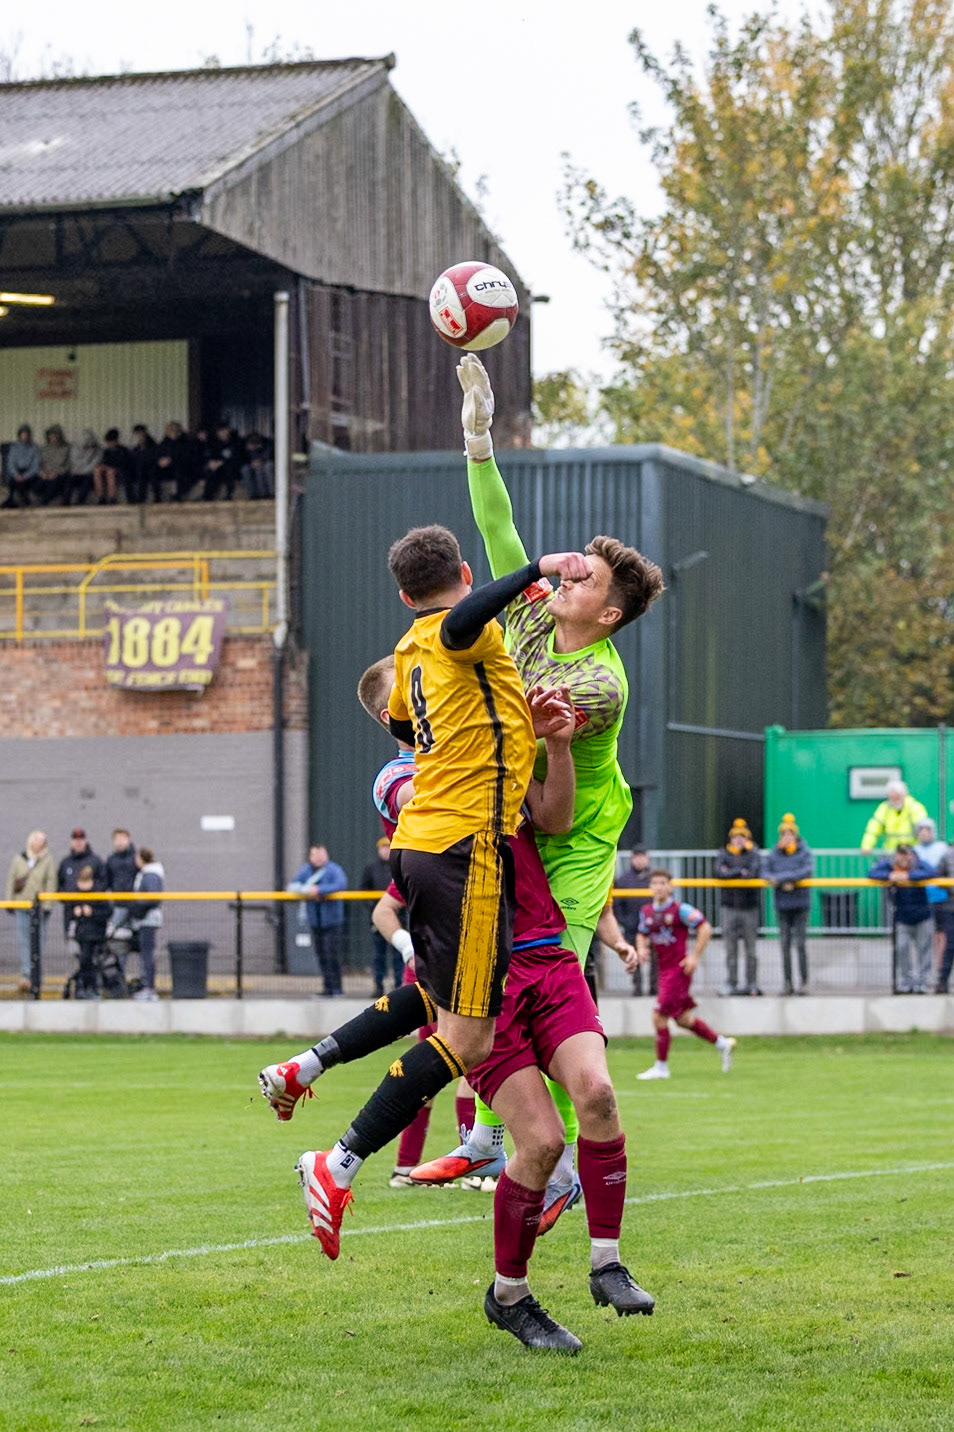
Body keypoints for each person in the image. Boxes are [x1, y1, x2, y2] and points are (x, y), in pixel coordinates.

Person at [263, 670, 654, 1342]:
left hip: (546, 954)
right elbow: (455, 803)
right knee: (539, 1140)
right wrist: (505, 737)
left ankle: (606, 1261)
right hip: (484, 974)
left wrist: (553, 748)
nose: (439, 689)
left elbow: (553, 817)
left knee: (598, 1096)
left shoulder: (488, 752)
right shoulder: (399, 779)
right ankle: (510, 1294)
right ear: (398, 717)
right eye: (420, 690)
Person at [288, 527, 590, 1261]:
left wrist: (515, 724)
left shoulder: (408, 653)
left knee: (449, 1021)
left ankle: (332, 1110)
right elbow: (461, 623)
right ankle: (341, 1161)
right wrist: (537, 569)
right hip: (466, 849)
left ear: (401, 595)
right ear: (463, 571)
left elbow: (406, 717)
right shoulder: (456, 632)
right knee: (466, 1037)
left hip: (435, 849)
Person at [438, 353, 665, 1196]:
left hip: (577, 840)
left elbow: (523, 743)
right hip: (530, 821)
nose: (565, 577)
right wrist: (479, 438)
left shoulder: (598, 683)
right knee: (493, 980)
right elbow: (503, 538)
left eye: (586, 579)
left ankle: (547, 1162)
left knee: (543, 995)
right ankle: (500, 1137)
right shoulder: (539, 616)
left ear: (608, 614)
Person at [635, 868, 735, 1080]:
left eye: (663, 883)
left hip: (679, 969)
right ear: (650, 887)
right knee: (682, 1019)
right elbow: (641, 933)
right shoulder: (646, 912)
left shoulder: (680, 910)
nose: (659, 887)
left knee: (658, 1016)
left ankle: (661, 1067)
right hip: (663, 970)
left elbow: (705, 927)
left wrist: (694, 956)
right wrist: (642, 948)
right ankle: (721, 1043)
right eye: (655, 883)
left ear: (670, 886)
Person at [868, 844, 936, 994]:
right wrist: (890, 876)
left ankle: (921, 983)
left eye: (907, 854)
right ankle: (906, 981)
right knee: (902, 949)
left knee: (924, 951)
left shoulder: (918, 865)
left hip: (922, 916)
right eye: (901, 854)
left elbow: (932, 872)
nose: (904, 858)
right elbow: (872, 873)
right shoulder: (890, 866)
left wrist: (908, 876)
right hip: (902, 918)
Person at [762, 813, 814, 994]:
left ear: (795, 836)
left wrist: (782, 879)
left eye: (790, 834)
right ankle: (787, 983)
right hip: (783, 905)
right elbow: (765, 873)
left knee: (800, 944)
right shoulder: (774, 854)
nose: (787, 837)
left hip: (800, 904)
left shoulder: (804, 851)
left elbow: (807, 870)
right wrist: (783, 880)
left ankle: (804, 982)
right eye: (784, 834)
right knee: (784, 945)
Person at [288, 845, 348, 997]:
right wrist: (308, 891)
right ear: (310, 856)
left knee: (332, 954)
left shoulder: (334, 869)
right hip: (315, 921)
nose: (319, 857)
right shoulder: (306, 870)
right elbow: (293, 886)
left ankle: (337, 988)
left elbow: (340, 884)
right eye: (315, 854)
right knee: (321, 954)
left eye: (321, 854)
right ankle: (327, 988)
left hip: (332, 921)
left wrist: (320, 890)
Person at [714, 818, 763, 995]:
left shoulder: (753, 854)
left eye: (742, 837)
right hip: (729, 907)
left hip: (748, 907)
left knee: (751, 949)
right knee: (730, 949)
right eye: (736, 837)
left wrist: (732, 873)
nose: (739, 840)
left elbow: (753, 873)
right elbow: (719, 872)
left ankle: (752, 984)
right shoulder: (724, 854)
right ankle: (731, 983)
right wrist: (739, 872)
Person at [5, 830, 56, 993]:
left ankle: (36, 976)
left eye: (42, 840)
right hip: (22, 905)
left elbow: (51, 882)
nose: (39, 843)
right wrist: (10, 903)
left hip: (39, 907)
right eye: (37, 840)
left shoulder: (47, 860)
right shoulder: (19, 859)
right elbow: (11, 881)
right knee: (24, 941)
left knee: (38, 942)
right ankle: (26, 975)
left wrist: (48, 905)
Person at [362, 836, 402, 996]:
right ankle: (378, 986)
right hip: (379, 919)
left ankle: (400, 985)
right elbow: (363, 889)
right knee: (379, 955)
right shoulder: (371, 868)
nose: (385, 850)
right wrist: (373, 908)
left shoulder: (398, 866)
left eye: (388, 847)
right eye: (383, 848)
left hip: (399, 918)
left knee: (399, 954)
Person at [614, 845, 655, 995]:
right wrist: (625, 921)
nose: (640, 860)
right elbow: (616, 905)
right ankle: (637, 988)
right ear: (632, 859)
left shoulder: (653, 878)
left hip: (653, 926)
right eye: (637, 857)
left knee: (655, 957)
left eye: (643, 857)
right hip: (632, 926)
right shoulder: (624, 880)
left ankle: (654, 988)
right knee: (634, 956)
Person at [68, 865, 112, 999]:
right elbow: (69, 912)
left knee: (93, 961)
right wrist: (75, 913)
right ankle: (85, 988)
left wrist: (92, 912)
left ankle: (94, 989)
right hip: (82, 934)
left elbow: (107, 912)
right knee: (84, 960)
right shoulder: (75, 893)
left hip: (97, 934)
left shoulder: (98, 893)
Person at [913, 819, 949, 979]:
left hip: (940, 898)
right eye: (921, 830)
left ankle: (939, 969)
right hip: (921, 899)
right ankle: (923, 971)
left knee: (940, 934)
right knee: (923, 936)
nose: (924, 833)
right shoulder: (915, 850)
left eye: (927, 830)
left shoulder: (941, 848)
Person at [130, 846, 164, 1000]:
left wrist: (137, 908)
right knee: (146, 953)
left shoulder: (150, 875)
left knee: (147, 954)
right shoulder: (147, 873)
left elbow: (152, 898)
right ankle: (147, 986)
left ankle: (149, 988)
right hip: (144, 920)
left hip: (148, 920)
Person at [860, 780, 929, 852]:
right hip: (890, 854)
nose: (896, 800)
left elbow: (922, 825)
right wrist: (867, 845)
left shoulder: (914, 807)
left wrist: (924, 836)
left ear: (904, 795)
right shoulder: (884, 809)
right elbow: (873, 828)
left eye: (898, 796)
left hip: (911, 854)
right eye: (893, 797)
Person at [201, 422, 242, 501]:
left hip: (231, 467)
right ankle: (207, 497)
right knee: (212, 472)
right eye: (220, 431)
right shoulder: (212, 442)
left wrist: (222, 462)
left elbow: (237, 457)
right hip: (217, 468)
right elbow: (210, 455)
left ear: (228, 430)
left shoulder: (235, 441)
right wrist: (211, 463)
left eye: (225, 430)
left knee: (227, 470)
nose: (223, 432)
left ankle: (229, 494)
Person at [3, 424, 41, 507]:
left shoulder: (34, 448)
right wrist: (16, 474)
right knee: (13, 482)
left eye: (26, 434)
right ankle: (13, 501)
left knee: (26, 483)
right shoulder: (14, 447)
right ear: (19, 435)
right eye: (23, 434)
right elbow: (10, 463)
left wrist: (26, 476)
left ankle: (23, 502)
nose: (24, 436)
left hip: (29, 473)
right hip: (17, 472)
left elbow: (35, 466)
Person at [156, 422, 194, 502]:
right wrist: (160, 461)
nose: (173, 434)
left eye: (175, 431)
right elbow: (159, 453)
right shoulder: (165, 442)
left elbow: (185, 457)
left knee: (180, 471)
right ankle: (157, 497)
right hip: (166, 468)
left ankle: (178, 495)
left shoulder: (184, 442)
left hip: (181, 467)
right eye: (171, 431)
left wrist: (170, 460)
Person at [36, 424, 72, 506]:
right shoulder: (44, 449)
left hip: (60, 474)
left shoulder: (66, 448)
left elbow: (68, 465)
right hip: (45, 474)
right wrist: (42, 472)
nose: (53, 438)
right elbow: (39, 464)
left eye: (55, 436)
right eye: (51, 436)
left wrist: (57, 473)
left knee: (53, 483)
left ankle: (44, 501)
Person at [92, 429, 129, 505]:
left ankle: (112, 497)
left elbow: (123, 464)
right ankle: (101, 497)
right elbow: (103, 462)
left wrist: (110, 467)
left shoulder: (123, 450)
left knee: (110, 472)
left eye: (111, 442)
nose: (109, 444)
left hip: (120, 473)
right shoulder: (106, 451)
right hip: (107, 471)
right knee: (97, 470)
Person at [128, 424, 159, 504]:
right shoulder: (136, 449)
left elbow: (153, 458)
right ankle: (133, 499)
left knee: (144, 473)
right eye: (137, 434)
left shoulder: (153, 446)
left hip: (151, 469)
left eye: (140, 434)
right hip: (139, 470)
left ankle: (151, 498)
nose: (139, 437)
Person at [67, 429, 100, 506]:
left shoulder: (97, 450)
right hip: (76, 472)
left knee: (87, 482)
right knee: (68, 482)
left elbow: (94, 464)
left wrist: (83, 471)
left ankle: (79, 502)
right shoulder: (74, 448)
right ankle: (65, 502)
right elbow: (74, 462)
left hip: (87, 473)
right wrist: (78, 470)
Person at [241, 431, 274, 499]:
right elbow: (241, 459)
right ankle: (253, 495)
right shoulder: (244, 447)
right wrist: (250, 461)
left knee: (260, 469)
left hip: (264, 463)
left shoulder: (266, 444)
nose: (254, 445)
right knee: (245, 469)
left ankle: (266, 494)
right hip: (251, 464)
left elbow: (269, 456)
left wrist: (261, 459)